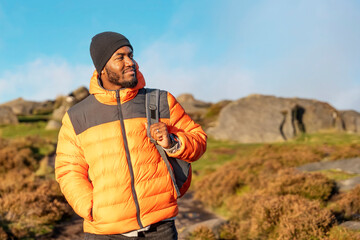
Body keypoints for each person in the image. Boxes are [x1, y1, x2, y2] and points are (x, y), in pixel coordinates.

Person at [55, 31, 207, 239]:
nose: (130, 62)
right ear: (102, 68)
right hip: (104, 232)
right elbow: (68, 170)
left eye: (131, 55)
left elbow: (198, 139)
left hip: (159, 228)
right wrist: (89, 207)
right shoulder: (77, 116)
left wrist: (173, 143)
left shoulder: (160, 100)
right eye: (120, 57)